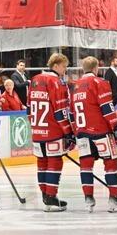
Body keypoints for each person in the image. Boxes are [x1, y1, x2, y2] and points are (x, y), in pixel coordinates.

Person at [72, 56, 117, 213]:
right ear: (96, 68)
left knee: (86, 166)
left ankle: (88, 200)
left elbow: (72, 113)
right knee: (111, 163)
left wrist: (74, 132)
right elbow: (107, 107)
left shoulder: (76, 86)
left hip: (82, 132)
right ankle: (114, 199)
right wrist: (116, 127)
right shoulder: (99, 82)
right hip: (100, 131)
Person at [28, 53, 75, 212]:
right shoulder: (56, 82)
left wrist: (35, 126)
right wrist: (68, 132)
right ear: (55, 65)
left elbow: (28, 108)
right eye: (64, 66)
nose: (65, 69)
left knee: (42, 162)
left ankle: (45, 195)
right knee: (54, 162)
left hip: (37, 130)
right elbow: (60, 110)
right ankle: (51, 196)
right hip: (53, 130)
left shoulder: (35, 79)